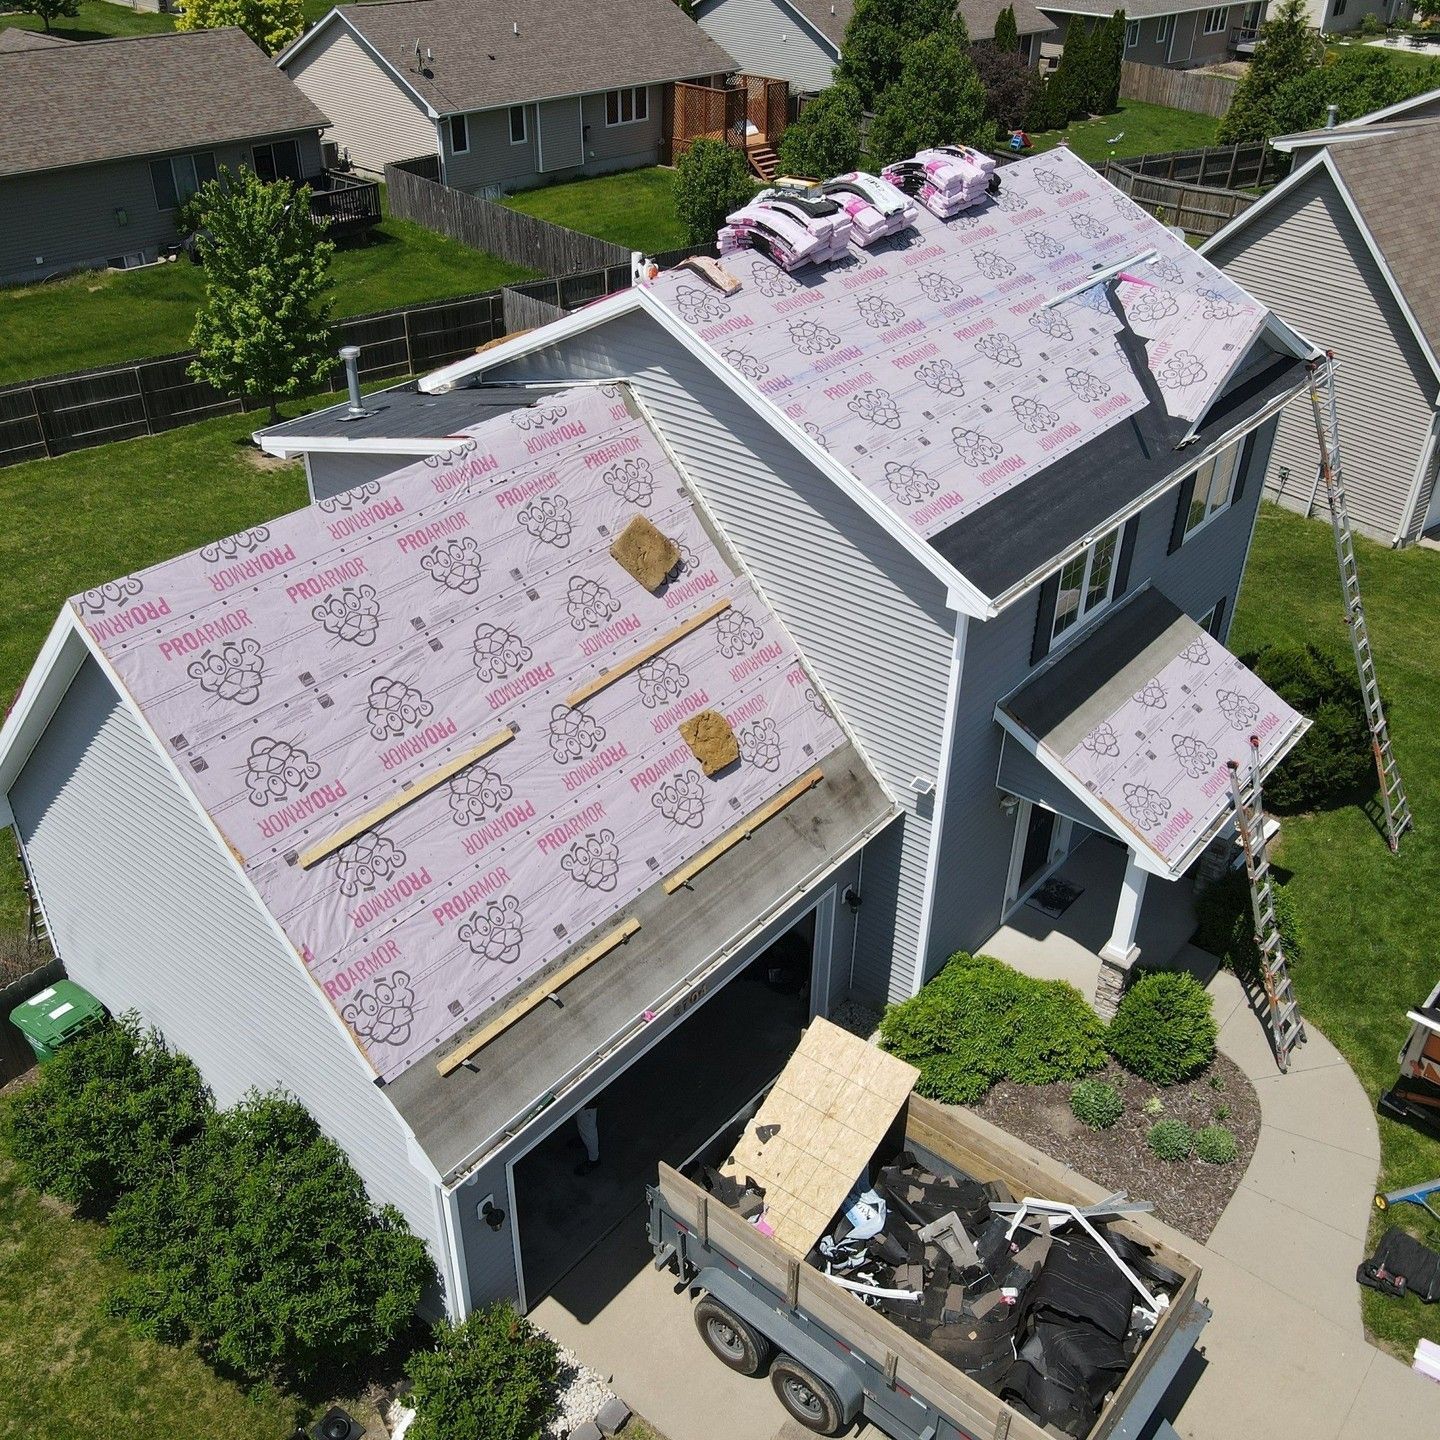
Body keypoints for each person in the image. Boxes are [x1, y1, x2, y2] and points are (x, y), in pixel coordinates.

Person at [574, 1104, 600, 1177]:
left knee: (587, 1128)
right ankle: (583, 1139)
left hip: (588, 1102)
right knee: (579, 1116)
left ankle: (594, 1160)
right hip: (579, 1099)